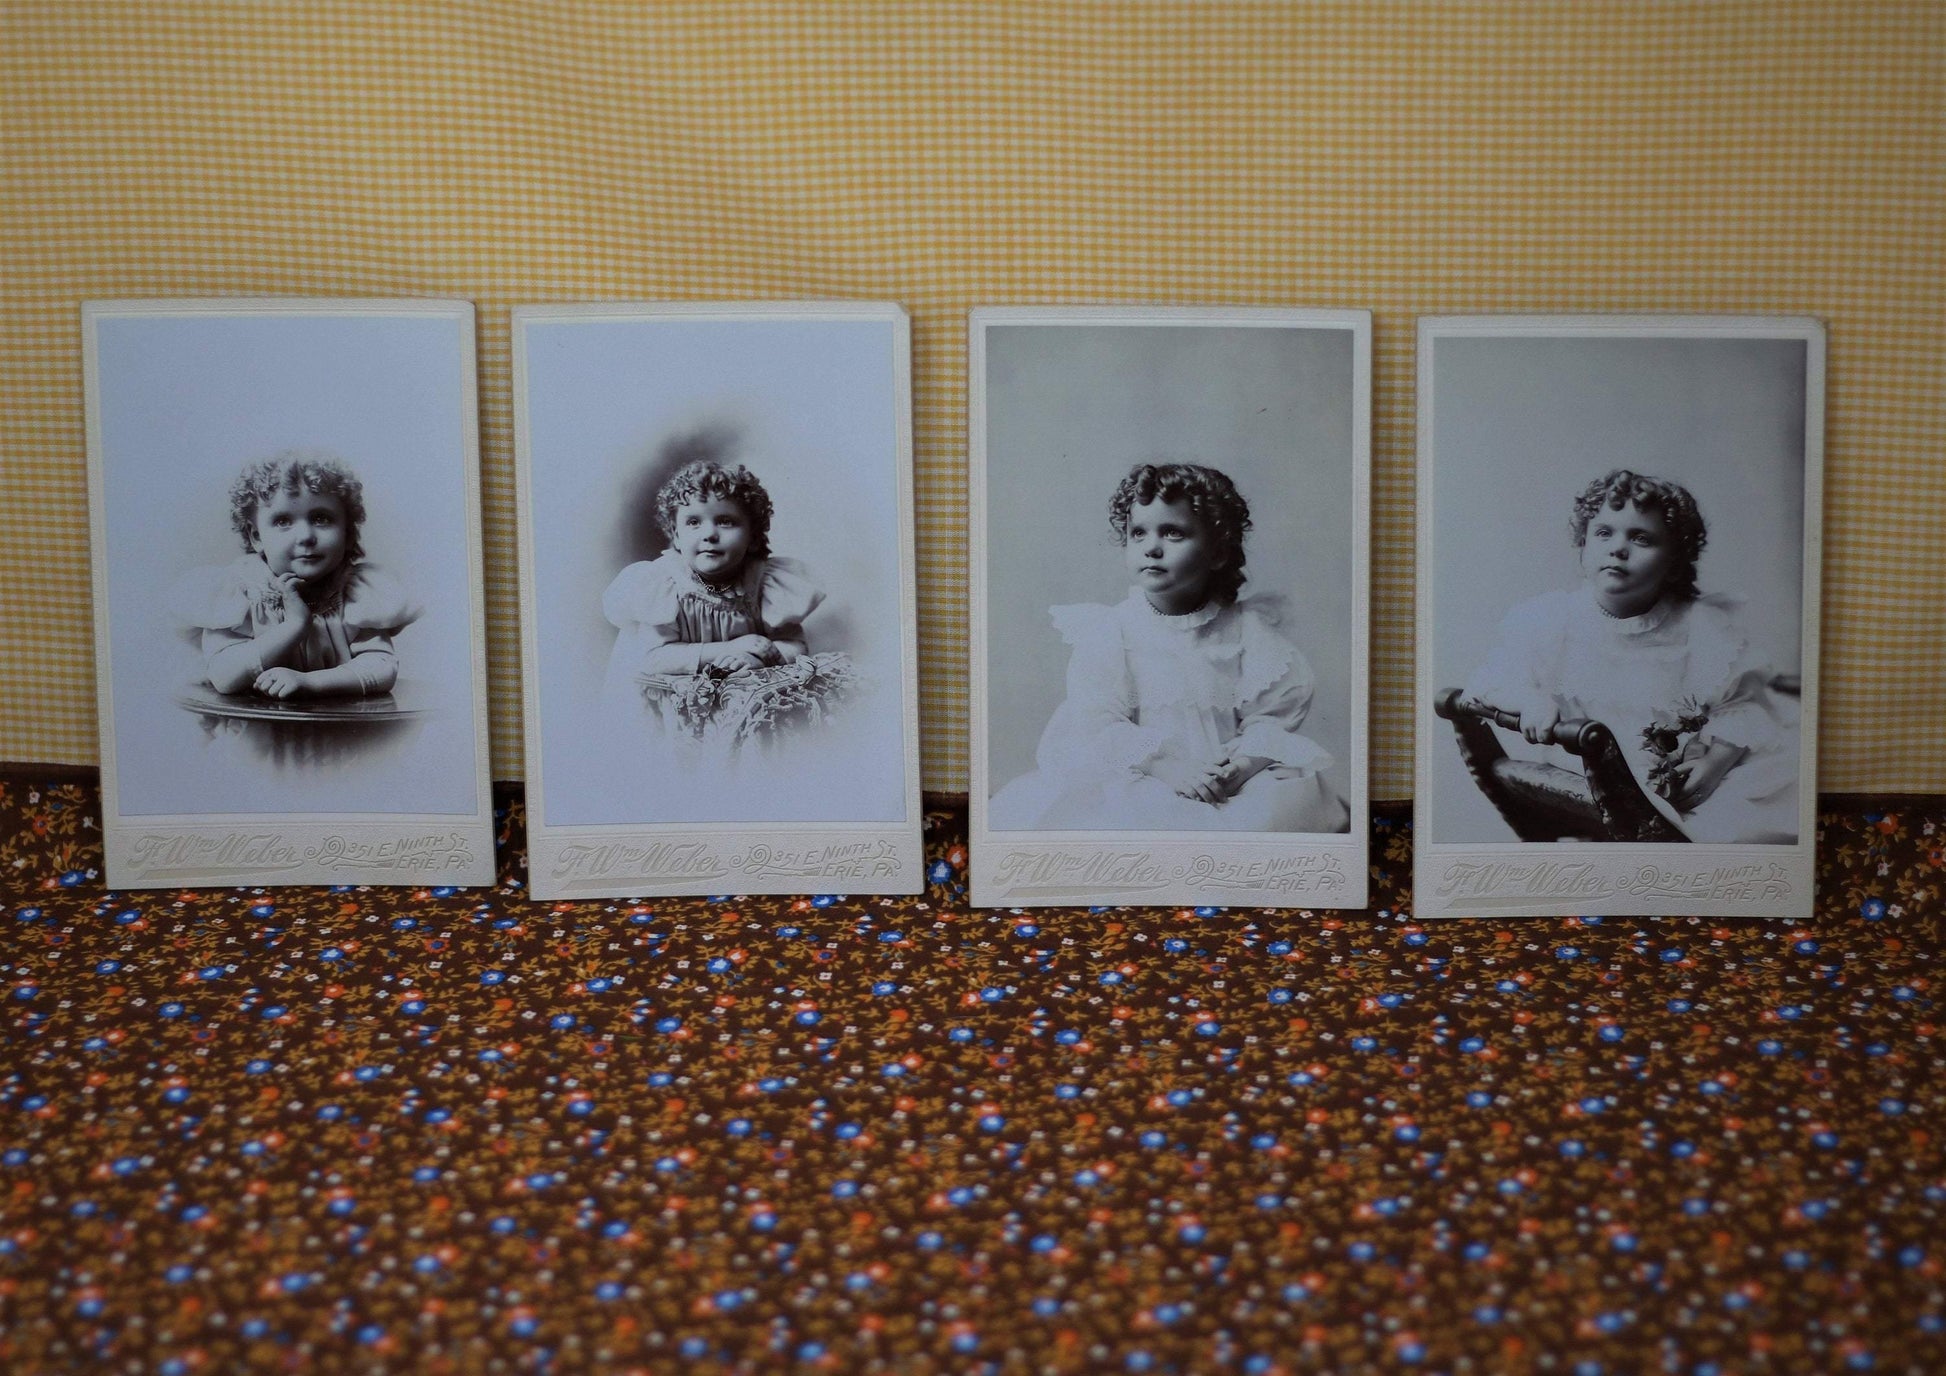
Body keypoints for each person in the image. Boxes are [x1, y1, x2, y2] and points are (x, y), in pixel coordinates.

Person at [990, 462, 1347, 833]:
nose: (1152, 548)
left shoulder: (1245, 630)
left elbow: (1271, 715)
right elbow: (1096, 721)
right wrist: (1164, 766)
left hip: (1225, 785)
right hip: (1144, 776)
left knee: (1274, 807)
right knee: (1112, 818)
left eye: (1173, 533)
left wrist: (1242, 766)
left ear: (1218, 552)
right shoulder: (1113, 630)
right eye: (1138, 534)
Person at [1463, 468, 1800, 844]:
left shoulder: (1701, 626)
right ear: (1584, 545)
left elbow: (1742, 705)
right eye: (1604, 533)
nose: (1618, 548)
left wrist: (1715, 761)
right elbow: (1488, 681)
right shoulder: (1550, 621)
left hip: (1694, 783)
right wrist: (1530, 700)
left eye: (1641, 538)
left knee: (1751, 824)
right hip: (1604, 785)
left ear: (1674, 560)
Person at [600, 459, 853, 754]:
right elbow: (653, 659)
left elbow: (795, 645)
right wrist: (731, 649)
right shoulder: (665, 586)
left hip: (738, 709)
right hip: (669, 711)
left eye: (725, 521)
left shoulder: (764, 583)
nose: (709, 534)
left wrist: (760, 658)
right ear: (677, 537)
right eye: (693, 522)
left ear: (754, 537)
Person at [170, 449, 419, 699]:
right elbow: (224, 676)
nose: (306, 537)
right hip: (259, 732)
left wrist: (311, 682)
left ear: (348, 534)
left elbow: (382, 667)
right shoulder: (239, 592)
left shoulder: (358, 594)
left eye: (321, 519)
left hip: (339, 730)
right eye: (283, 521)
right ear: (256, 536)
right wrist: (294, 627)